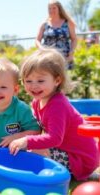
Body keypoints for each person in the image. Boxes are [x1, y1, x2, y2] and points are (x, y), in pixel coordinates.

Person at [9, 48, 99, 181]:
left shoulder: (57, 105)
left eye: (40, 81)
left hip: (80, 159)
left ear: (57, 81)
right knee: (27, 150)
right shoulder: (37, 101)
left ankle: (82, 173)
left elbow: (55, 138)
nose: (34, 86)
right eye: (28, 81)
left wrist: (26, 140)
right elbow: (36, 128)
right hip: (66, 151)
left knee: (35, 151)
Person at [35, 0, 77, 69]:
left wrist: (71, 53)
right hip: (48, 57)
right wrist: (42, 49)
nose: (51, 10)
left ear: (59, 9)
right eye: (49, 8)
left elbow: (74, 39)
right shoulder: (44, 24)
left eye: (54, 8)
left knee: (64, 78)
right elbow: (37, 40)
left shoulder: (68, 23)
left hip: (64, 58)